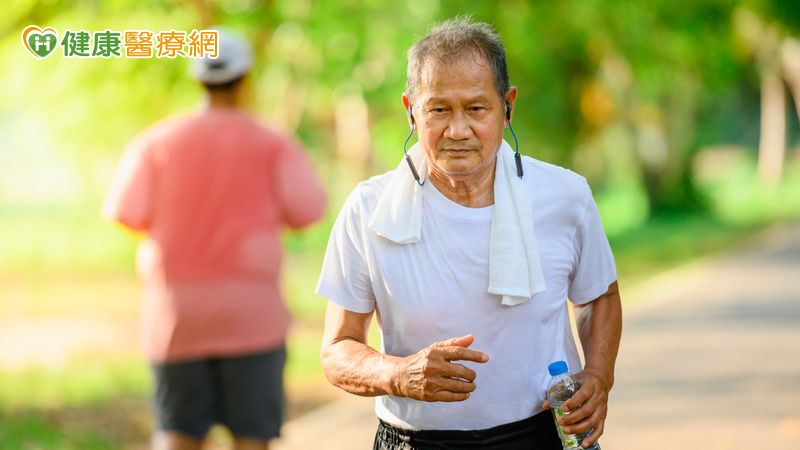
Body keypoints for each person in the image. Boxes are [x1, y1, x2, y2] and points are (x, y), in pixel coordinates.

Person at [316, 18, 622, 450]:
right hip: (415, 441)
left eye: (476, 109)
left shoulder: (564, 195)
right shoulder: (369, 209)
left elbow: (599, 296)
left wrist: (598, 377)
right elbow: (337, 349)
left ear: (507, 106)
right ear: (410, 110)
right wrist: (399, 375)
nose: (457, 130)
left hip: (543, 435)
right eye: (439, 110)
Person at [103, 30, 326, 450]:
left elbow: (123, 213)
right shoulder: (274, 144)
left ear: (197, 80)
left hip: (176, 318)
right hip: (252, 321)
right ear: (245, 80)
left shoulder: (156, 143)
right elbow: (308, 211)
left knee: (177, 431)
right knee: (252, 437)